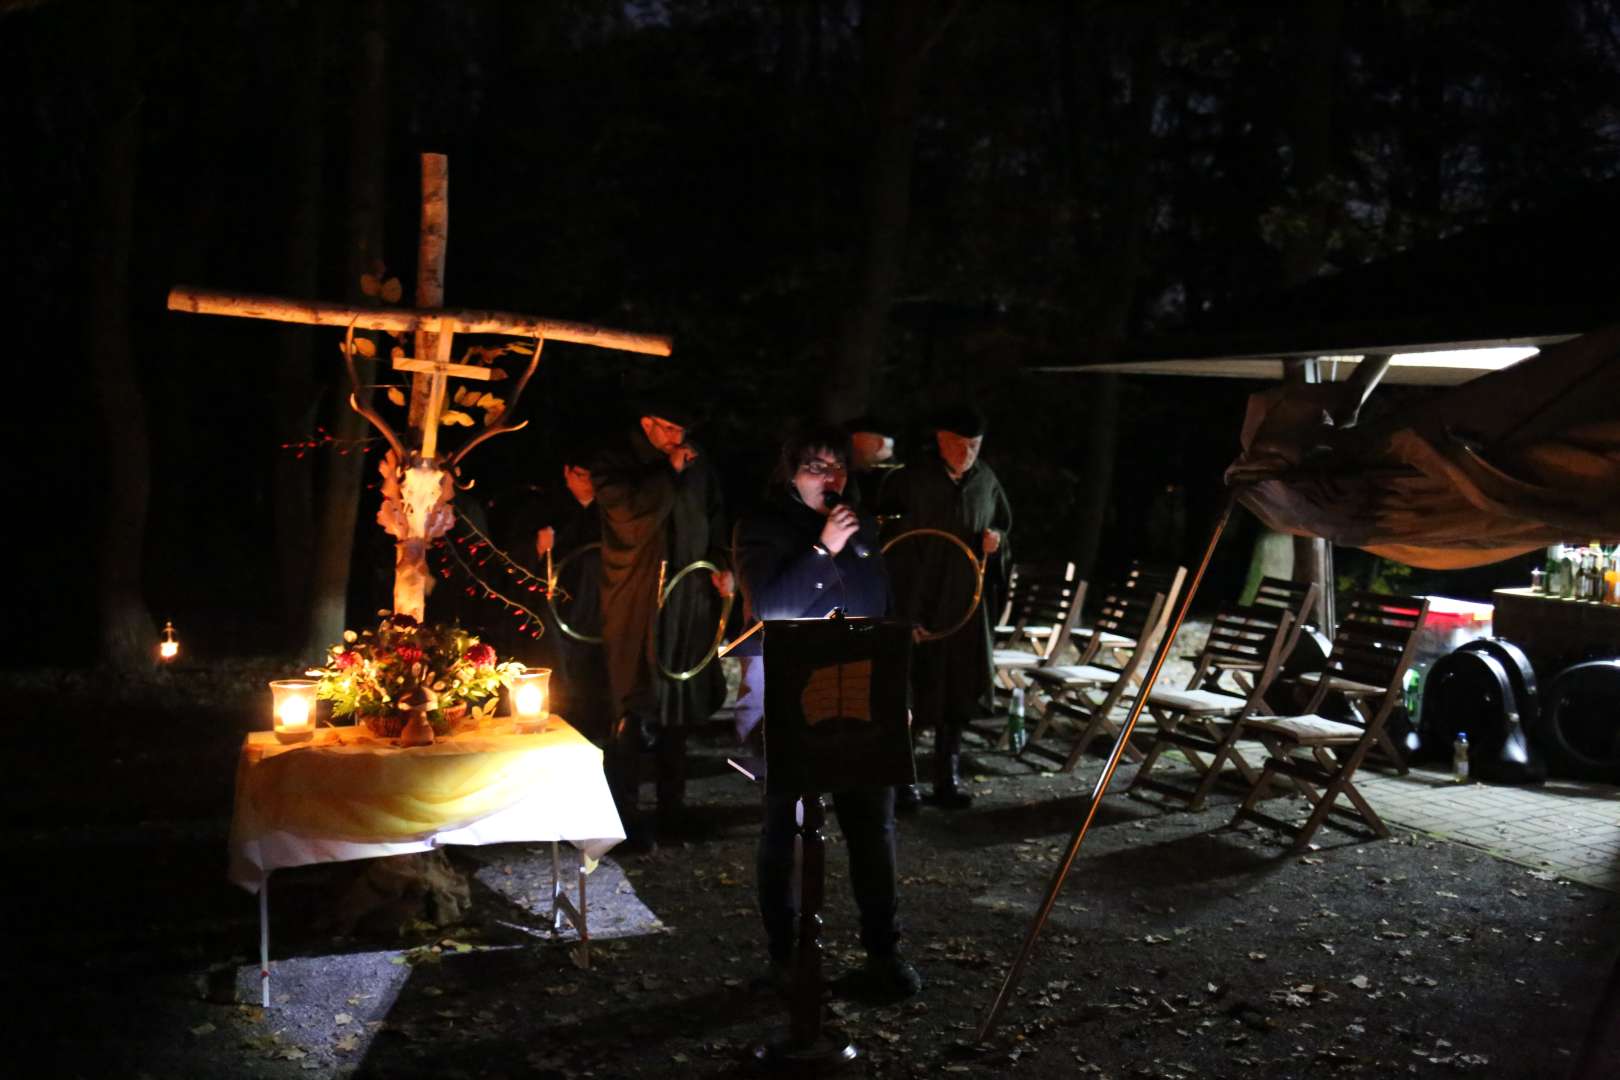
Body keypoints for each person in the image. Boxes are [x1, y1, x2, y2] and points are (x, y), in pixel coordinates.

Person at [734, 423, 921, 1000]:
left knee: (873, 825)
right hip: (790, 695)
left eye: (837, 466)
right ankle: (785, 958)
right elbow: (769, 607)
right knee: (786, 829)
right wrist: (823, 549)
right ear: (790, 473)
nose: (830, 478)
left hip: (862, 691)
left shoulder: (863, 528)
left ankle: (882, 954)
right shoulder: (762, 527)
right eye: (815, 466)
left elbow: (879, 604)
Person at [590, 402, 732, 845]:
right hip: (637, 598)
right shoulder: (617, 462)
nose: (677, 438)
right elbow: (626, 514)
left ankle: (675, 809)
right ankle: (624, 816)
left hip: (688, 597)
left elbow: (715, 516)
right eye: (669, 427)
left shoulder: (696, 461)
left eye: (682, 429)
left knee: (680, 704)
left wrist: (724, 566)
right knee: (635, 703)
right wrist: (667, 474)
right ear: (647, 422)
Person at [882, 404, 1012, 808]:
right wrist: (902, 611)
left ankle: (946, 778)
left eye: (975, 445)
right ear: (941, 440)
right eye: (960, 444)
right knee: (912, 691)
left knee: (956, 693)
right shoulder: (910, 480)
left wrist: (997, 541)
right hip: (918, 600)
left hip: (965, 606)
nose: (968, 453)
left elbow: (1003, 528)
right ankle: (903, 783)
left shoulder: (985, 480)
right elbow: (890, 546)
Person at [508, 447, 609, 746]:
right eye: (581, 475)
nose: (588, 483)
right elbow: (512, 558)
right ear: (567, 472)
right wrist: (537, 548)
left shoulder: (608, 511)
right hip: (555, 611)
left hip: (596, 609)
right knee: (561, 680)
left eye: (595, 477)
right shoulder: (540, 507)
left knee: (595, 682)